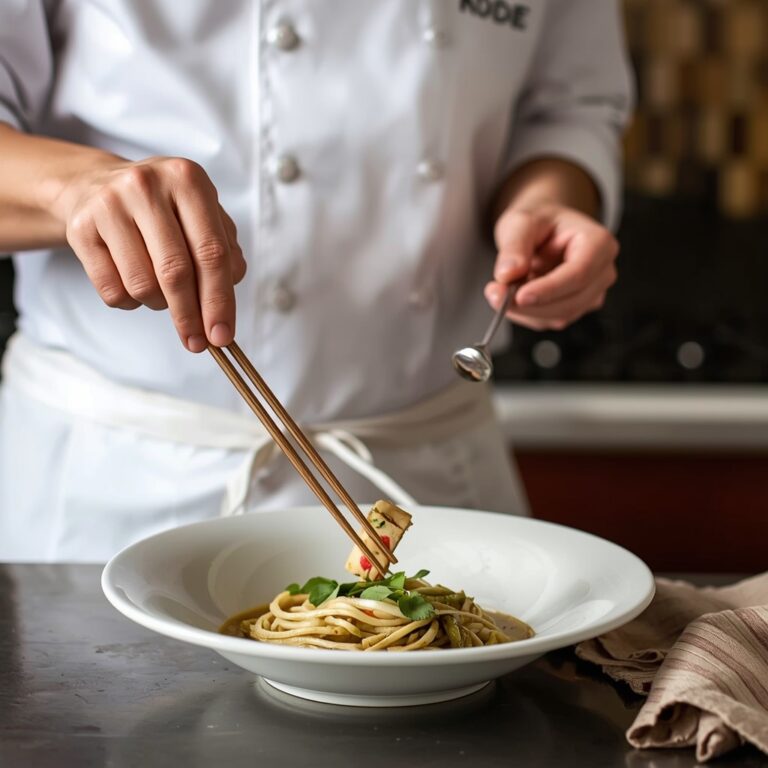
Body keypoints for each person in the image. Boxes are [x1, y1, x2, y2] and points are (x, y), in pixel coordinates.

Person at [0, 0, 631, 562]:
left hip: (426, 478)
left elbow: (568, 110)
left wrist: (548, 201)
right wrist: (74, 187)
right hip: (114, 486)